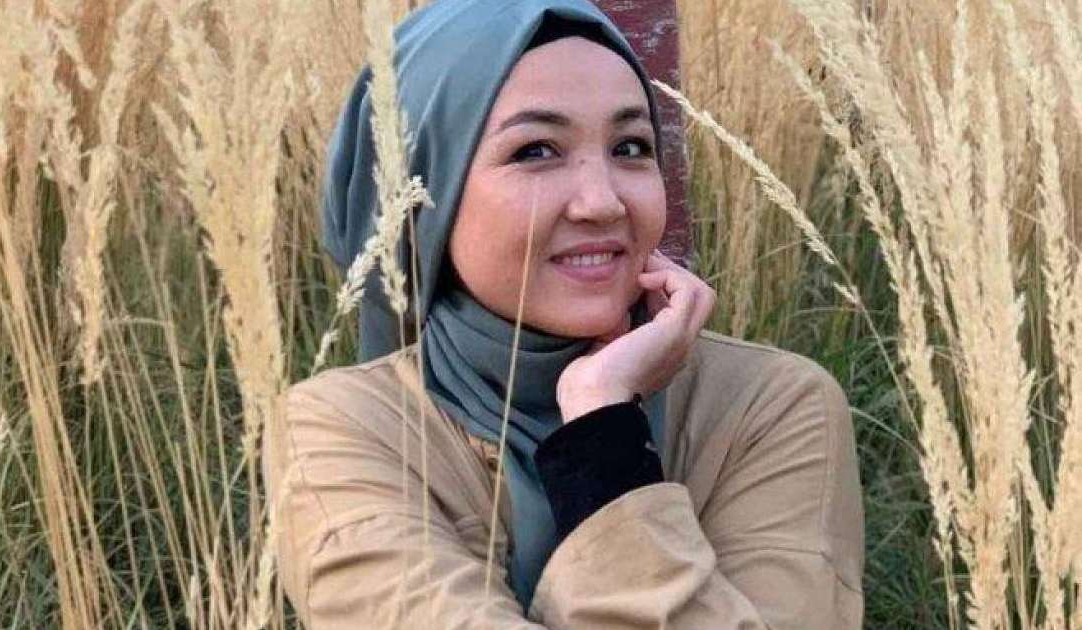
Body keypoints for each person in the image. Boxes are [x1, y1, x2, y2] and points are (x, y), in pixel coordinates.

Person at [268, 0, 864, 627]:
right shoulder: (344, 428)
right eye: (536, 151)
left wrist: (602, 430)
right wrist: (607, 447)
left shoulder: (768, 407)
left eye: (630, 147)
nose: (602, 202)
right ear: (422, 194)